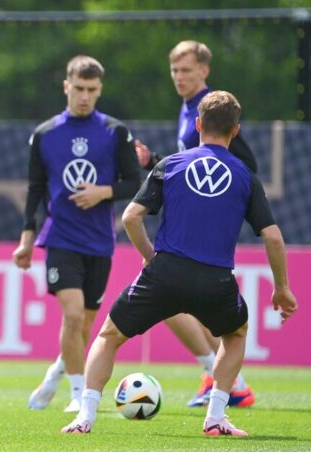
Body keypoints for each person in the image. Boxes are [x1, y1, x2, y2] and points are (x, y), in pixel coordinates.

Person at [61, 90, 297, 436]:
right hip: (216, 281)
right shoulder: (245, 176)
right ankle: (216, 416)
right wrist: (281, 287)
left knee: (109, 336)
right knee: (235, 333)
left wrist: (150, 258)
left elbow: (131, 217)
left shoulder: (171, 164)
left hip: (165, 273)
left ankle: (85, 417)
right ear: (236, 130)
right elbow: (274, 237)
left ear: (199, 124)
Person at [12, 56, 141, 413]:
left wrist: (102, 192)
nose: (85, 96)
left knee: (83, 326)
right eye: (79, 89)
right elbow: (35, 189)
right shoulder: (45, 134)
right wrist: (26, 239)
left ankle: (55, 373)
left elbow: (135, 182)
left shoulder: (115, 132)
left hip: (99, 241)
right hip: (60, 238)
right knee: (71, 316)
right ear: (66, 86)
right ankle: (77, 394)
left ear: (99, 90)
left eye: (92, 90)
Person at [135, 40, 257, 407]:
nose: (179, 77)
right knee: (191, 304)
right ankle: (225, 381)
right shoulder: (188, 109)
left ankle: (222, 377)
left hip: (201, 221)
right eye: (175, 70)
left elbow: (244, 164)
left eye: (186, 70)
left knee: (166, 291)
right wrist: (154, 161)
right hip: (188, 217)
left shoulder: (212, 109)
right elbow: (191, 164)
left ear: (204, 70)